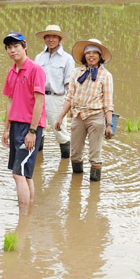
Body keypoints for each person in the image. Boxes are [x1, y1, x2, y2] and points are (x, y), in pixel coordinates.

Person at [55, 39, 114, 182]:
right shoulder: (76, 73)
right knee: (75, 154)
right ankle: (76, 187)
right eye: (88, 53)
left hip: (96, 116)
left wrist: (109, 125)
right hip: (78, 115)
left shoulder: (106, 75)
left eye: (95, 53)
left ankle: (94, 193)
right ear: (84, 55)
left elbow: (108, 102)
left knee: (95, 156)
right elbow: (69, 97)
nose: (91, 56)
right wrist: (60, 117)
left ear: (100, 56)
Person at [1, 32, 46, 216]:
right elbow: (10, 101)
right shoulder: (11, 71)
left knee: (17, 173)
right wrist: (6, 128)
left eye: (16, 46)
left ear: (24, 46)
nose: (13, 50)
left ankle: (23, 218)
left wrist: (33, 131)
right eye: (9, 47)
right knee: (25, 173)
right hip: (16, 126)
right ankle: (29, 213)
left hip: (30, 127)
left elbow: (39, 102)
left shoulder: (36, 69)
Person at [34, 24, 75, 158]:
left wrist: (71, 104)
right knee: (37, 130)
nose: (50, 40)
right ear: (44, 38)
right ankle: (38, 161)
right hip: (39, 98)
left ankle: (66, 163)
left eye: (54, 37)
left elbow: (69, 83)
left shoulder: (67, 59)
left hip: (57, 99)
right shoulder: (39, 57)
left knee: (60, 131)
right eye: (48, 37)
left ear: (59, 39)